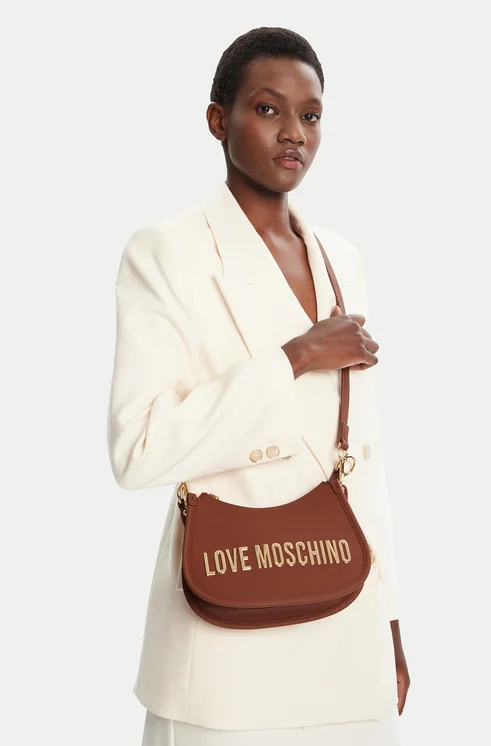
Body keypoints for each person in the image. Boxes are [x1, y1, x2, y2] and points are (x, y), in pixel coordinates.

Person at [107, 26, 410, 746]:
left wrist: (390, 620)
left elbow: (361, 457)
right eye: (268, 108)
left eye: (311, 114)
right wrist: (293, 358)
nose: (294, 132)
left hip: (349, 635)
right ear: (219, 120)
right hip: (224, 642)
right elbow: (138, 449)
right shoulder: (167, 252)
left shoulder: (341, 259)